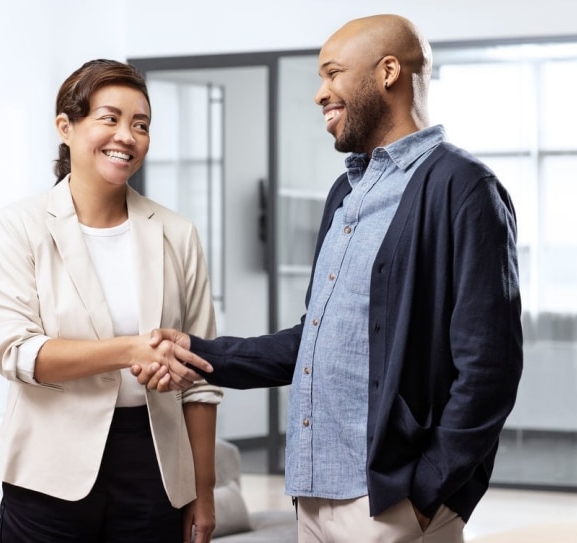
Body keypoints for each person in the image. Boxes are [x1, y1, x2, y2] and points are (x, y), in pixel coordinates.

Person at [137, 14, 523, 543]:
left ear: (388, 71)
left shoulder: (465, 188)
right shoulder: (345, 194)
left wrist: (430, 493)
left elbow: (489, 367)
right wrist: (201, 353)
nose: (320, 94)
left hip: (392, 504)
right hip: (313, 496)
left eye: (332, 73)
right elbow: (314, 340)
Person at [0, 58, 222, 543]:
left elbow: (199, 378)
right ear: (65, 127)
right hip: (47, 466)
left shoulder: (177, 233)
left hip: (154, 465)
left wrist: (203, 489)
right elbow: (18, 352)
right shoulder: (20, 226)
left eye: (141, 125)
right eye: (109, 118)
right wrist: (131, 349)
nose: (127, 136)